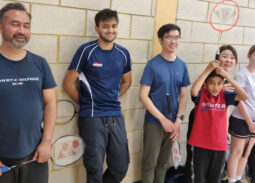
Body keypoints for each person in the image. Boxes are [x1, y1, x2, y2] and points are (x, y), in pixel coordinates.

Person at [62, 8, 132, 183]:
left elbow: (127, 82)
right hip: (92, 117)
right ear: (97, 28)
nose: (110, 30)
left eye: (114, 26)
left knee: (121, 166)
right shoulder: (86, 50)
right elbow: (68, 83)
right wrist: (86, 102)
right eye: (105, 26)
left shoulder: (123, 53)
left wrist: (113, 98)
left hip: (115, 115)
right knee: (94, 169)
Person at [0, 3, 57, 183]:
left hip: (35, 155)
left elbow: (50, 104)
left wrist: (46, 142)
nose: (21, 30)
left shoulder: (40, 63)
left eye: (26, 26)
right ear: (1, 27)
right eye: (15, 24)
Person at [139, 23, 190, 183]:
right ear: (161, 40)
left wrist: (178, 121)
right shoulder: (152, 65)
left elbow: (183, 96)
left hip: (173, 124)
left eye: (176, 37)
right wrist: (162, 119)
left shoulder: (182, 65)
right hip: (155, 122)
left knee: (163, 164)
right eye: (169, 37)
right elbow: (143, 96)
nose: (173, 41)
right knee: (150, 163)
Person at [183, 45, 238, 183]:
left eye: (232, 57)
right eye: (224, 56)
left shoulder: (231, 82)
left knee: (215, 169)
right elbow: (196, 93)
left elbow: (234, 105)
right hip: (201, 120)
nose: (228, 60)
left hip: (217, 128)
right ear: (217, 58)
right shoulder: (209, 76)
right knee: (195, 161)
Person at [226, 45, 255, 183]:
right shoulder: (241, 75)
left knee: (246, 153)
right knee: (237, 152)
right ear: (249, 55)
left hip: (254, 122)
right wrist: (249, 121)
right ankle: (231, 180)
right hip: (241, 119)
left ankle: (238, 178)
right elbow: (238, 100)